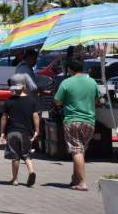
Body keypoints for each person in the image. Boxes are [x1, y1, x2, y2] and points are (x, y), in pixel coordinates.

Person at [54, 61, 101, 191]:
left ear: (70, 69)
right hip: (89, 122)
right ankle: (75, 178)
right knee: (81, 150)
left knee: (76, 150)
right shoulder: (92, 82)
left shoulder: (66, 82)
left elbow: (57, 101)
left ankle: (82, 182)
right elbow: (98, 100)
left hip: (72, 120)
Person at [0, 74, 40, 187]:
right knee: (26, 154)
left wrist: (2, 132)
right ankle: (31, 171)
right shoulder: (31, 101)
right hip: (26, 132)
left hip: (12, 132)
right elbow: (35, 116)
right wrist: (37, 130)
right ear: (24, 86)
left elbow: (4, 118)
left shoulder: (9, 101)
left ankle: (15, 179)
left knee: (15, 156)